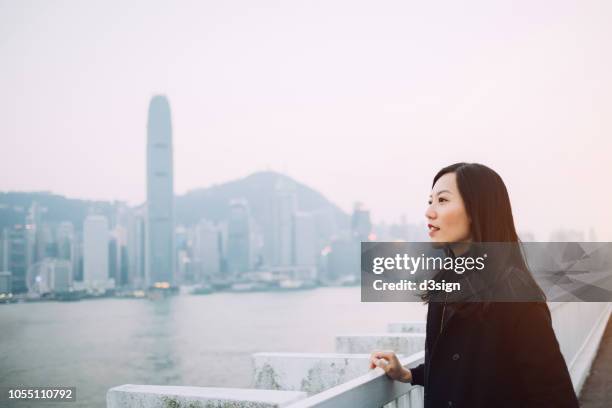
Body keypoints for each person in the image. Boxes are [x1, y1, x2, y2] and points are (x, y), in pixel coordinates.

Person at [369, 162, 579, 407]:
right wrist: (408, 374)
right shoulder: (446, 285)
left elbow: (553, 392)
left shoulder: (514, 292)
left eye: (443, 200)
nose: (429, 212)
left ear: (476, 210)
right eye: (430, 201)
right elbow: (462, 364)